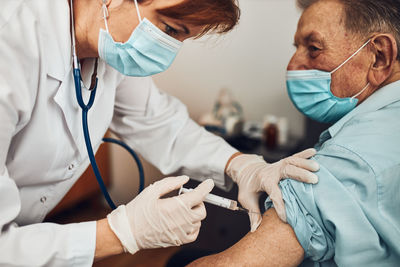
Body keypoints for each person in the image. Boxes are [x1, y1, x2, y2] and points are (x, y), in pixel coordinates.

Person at [0, 0, 320, 266]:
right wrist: (122, 232)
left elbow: (163, 125)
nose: (167, 53)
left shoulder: (106, 45)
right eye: (169, 29)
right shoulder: (10, 43)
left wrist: (241, 165)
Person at [188, 0, 400, 266]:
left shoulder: (345, 162)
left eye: (313, 49)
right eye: (297, 48)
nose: (293, 65)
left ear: (379, 57)